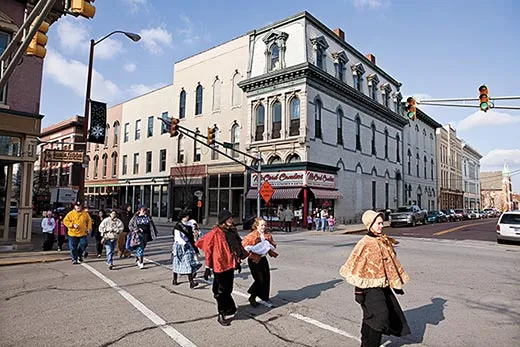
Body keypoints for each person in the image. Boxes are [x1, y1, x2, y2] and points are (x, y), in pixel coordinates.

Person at [339, 210, 410, 347]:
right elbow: (358, 269)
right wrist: (358, 290)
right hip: (368, 289)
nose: (381, 226)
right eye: (378, 223)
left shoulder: (381, 240)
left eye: (382, 223)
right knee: (379, 318)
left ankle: (365, 343)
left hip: (382, 286)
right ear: (370, 224)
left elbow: (390, 264)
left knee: (371, 316)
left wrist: (396, 284)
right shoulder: (365, 243)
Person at [195, 210, 248, 326]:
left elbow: (238, 246)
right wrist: (208, 267)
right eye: (228, 218)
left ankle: (229, 308)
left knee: (228, 289)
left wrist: (239, 261)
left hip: (229, 264)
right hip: (219, 264)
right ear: (223, 220)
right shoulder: (216, 232)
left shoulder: (233, 231)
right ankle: (222, 313)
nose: (231, 220)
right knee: (222, 290)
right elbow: (207, 248)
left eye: (231, 218)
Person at [242, 218, 278, 308]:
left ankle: (264, 296)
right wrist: (251, 248)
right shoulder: (251, 235)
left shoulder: (267, 235)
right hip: (254, 259)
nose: (263, 227)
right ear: (256, 226)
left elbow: (273, 245)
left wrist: (270, 246)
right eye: (261, 225)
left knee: (266, 278)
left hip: (263, 258)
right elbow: (244, 245)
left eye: (265, 225)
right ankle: (252, 296)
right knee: (259, 279)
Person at [172, 211, 201, 288]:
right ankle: (174, 279)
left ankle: (191, 282)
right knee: (177, 262)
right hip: (179, 246)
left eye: (187, 216)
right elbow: (177, 237)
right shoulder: (178, 226)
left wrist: (197, 233)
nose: (186, 218)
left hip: (188, 245)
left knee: (188, 262)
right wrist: (184, 243)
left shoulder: (189, 224)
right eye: (185, 217)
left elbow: (195, 232)